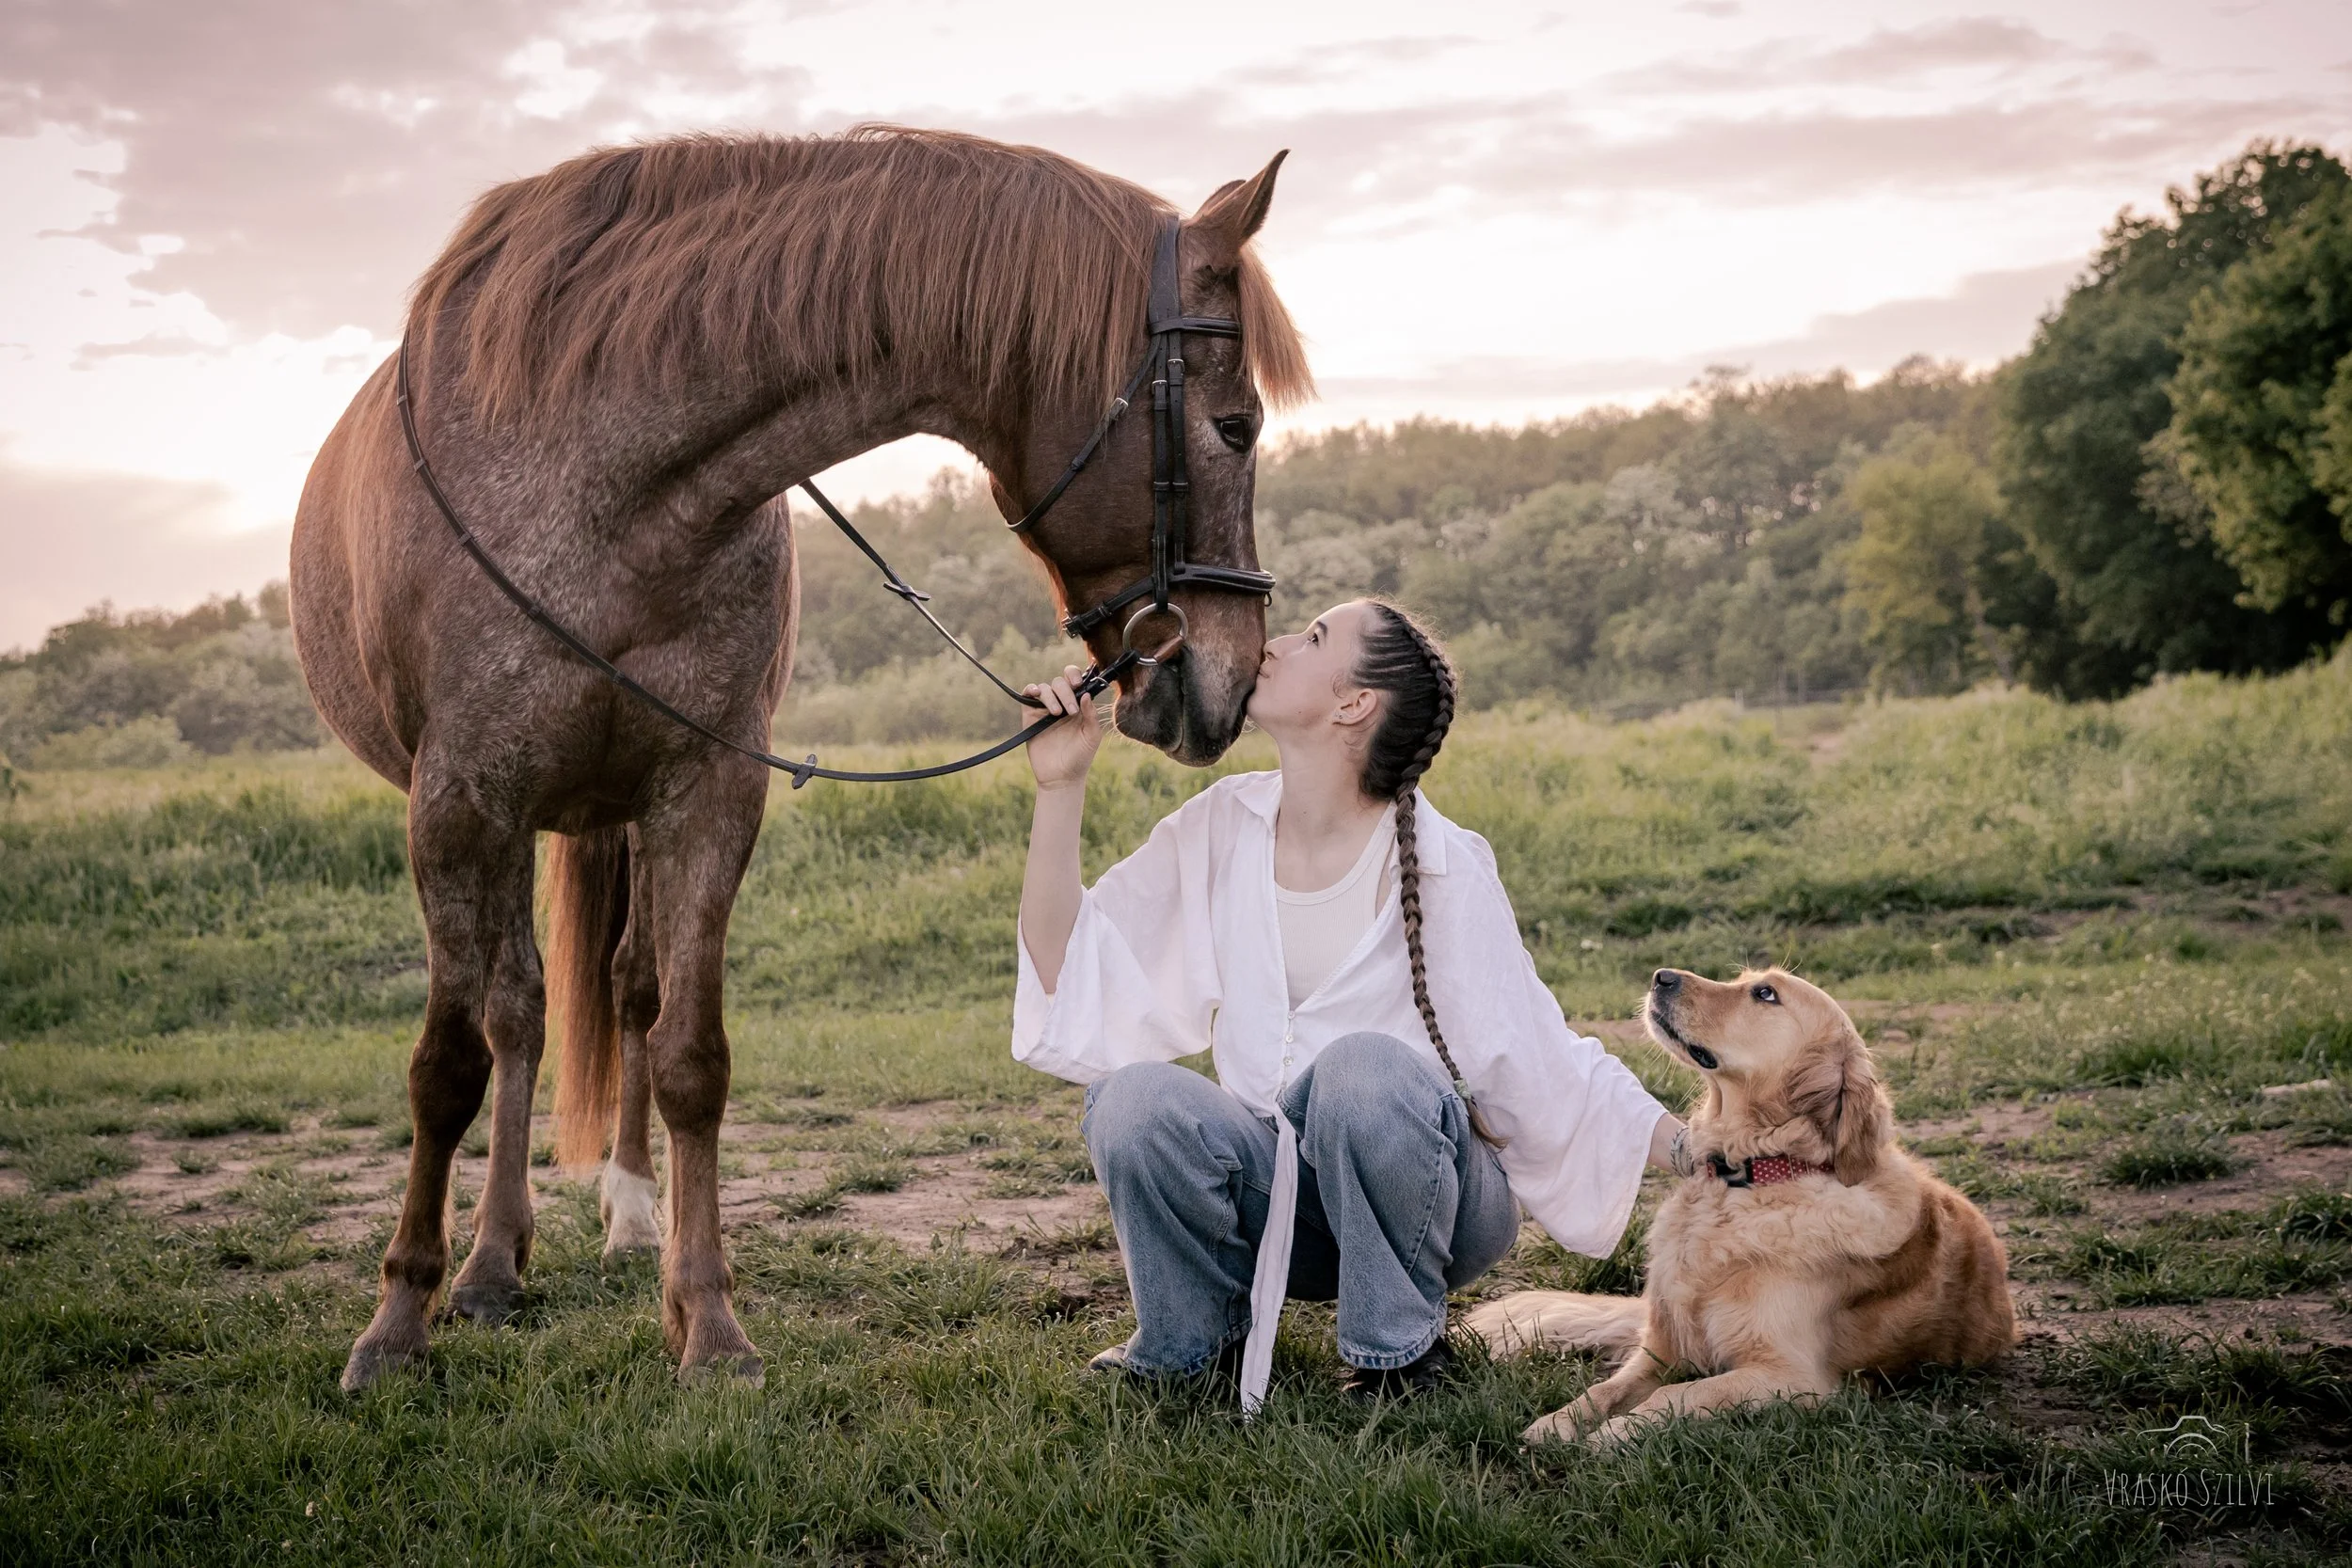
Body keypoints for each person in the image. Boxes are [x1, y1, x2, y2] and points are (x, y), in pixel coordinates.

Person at [1014, 599, 1690, 1409]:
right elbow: (1070, 963)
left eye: (1314, 637)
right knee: (1131, 1099)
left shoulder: (1444, 865)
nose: (1276, 642)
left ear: (1354, 703)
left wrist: (1704, 1151)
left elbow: (1544, 1058)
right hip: (1282, 1212)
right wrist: (1060, 785)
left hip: (1431, 1204)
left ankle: (1398, 1358)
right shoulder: (1222, 826)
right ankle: (1193, 1348)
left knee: (1361, 1068)